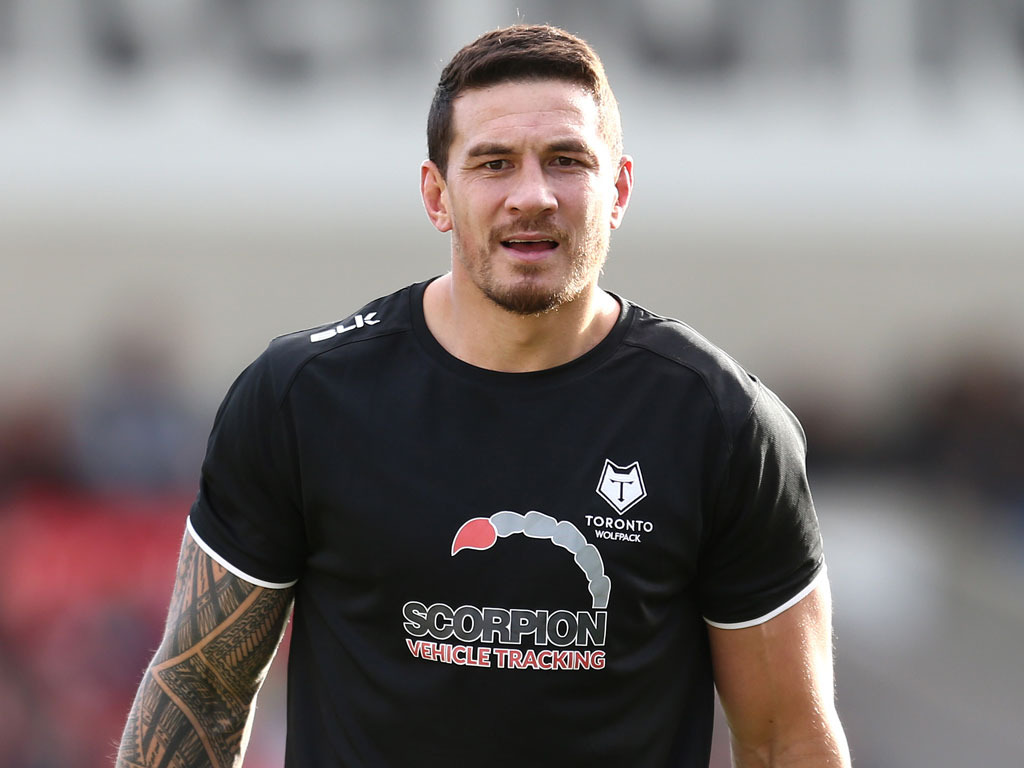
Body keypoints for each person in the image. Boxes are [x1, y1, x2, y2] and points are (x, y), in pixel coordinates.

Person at [117, 24, 851, 768]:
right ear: (437, 195)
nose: (532, 196)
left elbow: (786, 737)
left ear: (619, 190)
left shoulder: (722, 425)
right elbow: (200, 688)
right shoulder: (302, 399)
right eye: (494, 163)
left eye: (566, 161)